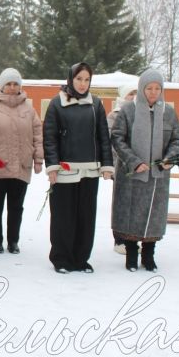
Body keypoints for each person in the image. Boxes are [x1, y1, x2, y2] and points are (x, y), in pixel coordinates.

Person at [109, 69, 179, 271]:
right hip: (132, 174)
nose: (153, 93)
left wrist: (170, 158)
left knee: (153, 214)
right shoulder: (128, 111)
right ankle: (131, 255)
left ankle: (149, 255)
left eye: (157, 89)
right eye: (149, 88)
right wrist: (133, 161)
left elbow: (177, 139)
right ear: (141, 89)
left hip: (158, 176)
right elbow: (117, 138)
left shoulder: (168, 112)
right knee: (131, 214)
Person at [42, 62, 114, 273]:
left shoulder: (96, 104)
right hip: (65, 171)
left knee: (86, 216)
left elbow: (103, 137)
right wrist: (52, 167)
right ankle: (61, 258)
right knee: (63, 216)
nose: (83, 84)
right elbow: (50, 138)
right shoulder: (57, 103)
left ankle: (81, 258)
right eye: (79, 79)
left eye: (87, 80)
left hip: (90, 170)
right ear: (70, 79)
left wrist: (107, 165)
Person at [0, 68, 44, 254]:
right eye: (9, 84)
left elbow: (38, 134)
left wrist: (38, 158)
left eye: (15, 84)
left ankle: (13, 241)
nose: (12, 87)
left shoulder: (29, 109)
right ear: (2, 86)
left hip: (21, 166)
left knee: (16, 207)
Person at [107, 82, 137, 255]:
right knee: (121, 204)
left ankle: (132, 238)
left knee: (136, 204)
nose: (133, 97)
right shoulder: (114, 115)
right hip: (120, 165)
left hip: (139, 166)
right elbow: (112, 140)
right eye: (130, 94)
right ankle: (119, 240)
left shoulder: (142, 113)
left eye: (135, 93)